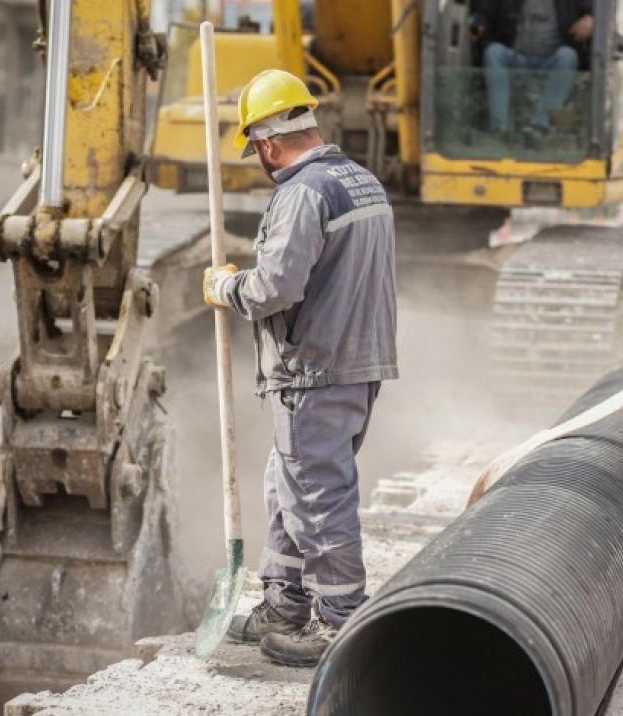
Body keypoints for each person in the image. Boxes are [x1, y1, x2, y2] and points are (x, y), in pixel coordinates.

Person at [203, 69, 399, 666]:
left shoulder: (302, 192)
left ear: (266, 143)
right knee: (285, 485)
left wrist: (225, 287)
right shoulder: (362, 182)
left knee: (317, 495)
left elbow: (275, 288)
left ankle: (340, 620)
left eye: (256, 150)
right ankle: (284, 600)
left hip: (314, 369)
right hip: (356, 363)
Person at [471, 0, 594, 133]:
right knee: (493, 52)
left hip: (552, 60)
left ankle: (541, 125)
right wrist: (478, 25)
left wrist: (590, 19)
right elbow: (486, 13)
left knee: (568, 56)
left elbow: (594, 10)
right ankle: (499, 128)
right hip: (515, 57)